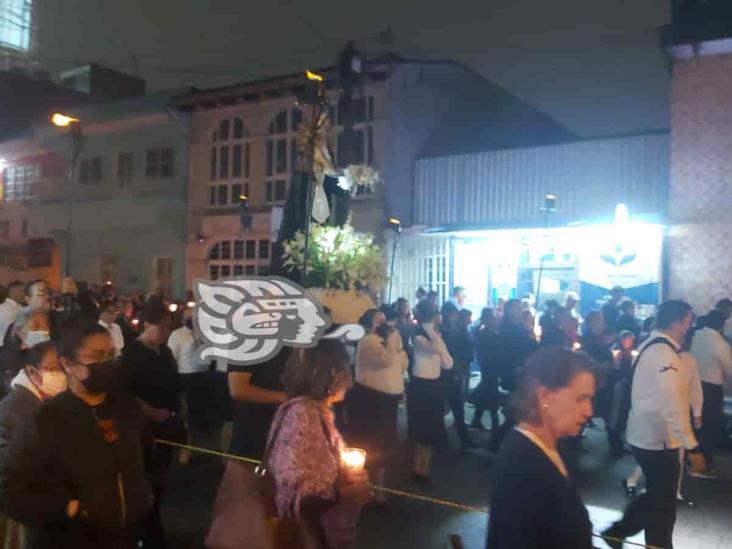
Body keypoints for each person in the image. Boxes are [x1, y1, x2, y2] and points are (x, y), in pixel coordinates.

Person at [1, 323, 153, 549]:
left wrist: (141, 498)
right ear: (68, 364)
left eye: (111, 354)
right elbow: (9, 489)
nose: (107, 363)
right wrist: (66, 508)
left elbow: (147, 458)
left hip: (126, 537)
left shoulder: (126, 407)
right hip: (68, 539)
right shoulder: (46, 419)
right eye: (97, 356)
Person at [602, 300, 703, 549]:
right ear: (677, 321)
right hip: (657, 441)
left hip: (649, 437)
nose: (689, 327)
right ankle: (642, 540)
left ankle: (618, 531)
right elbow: (673, 405)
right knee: (664, 505)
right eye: (688, 321)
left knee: (660, 496)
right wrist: (691, 446)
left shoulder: (656, 347)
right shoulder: (662, 354)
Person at [486, 347, 596, 549]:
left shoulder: (541, 448)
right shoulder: (524, 468)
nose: (589, 410)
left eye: (590, 399)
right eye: (580, 399)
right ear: (544, 396)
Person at [267, 339, 371, 548]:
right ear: (330, 374)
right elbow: (299, 496)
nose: (349, 381)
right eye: (345, 371)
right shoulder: (303, 415)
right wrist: (347, 492)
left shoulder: (316, 411)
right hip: (312, 536)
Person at [120, 297, 180, 548]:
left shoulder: (164, 352)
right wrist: (153, 412)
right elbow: (127, 393)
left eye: (168, 327)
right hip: (145, 428)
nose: (166, 332)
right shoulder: (131, 354)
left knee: (160, 482)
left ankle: (153, 529)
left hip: (167, 425)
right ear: (146, 324)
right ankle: (145, 534)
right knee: (146, 482)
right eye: (162, 327)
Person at [0, 341, 67, 547]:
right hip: (23, 510)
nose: (60, 375)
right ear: (33, 372)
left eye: (63, 368)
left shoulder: (46, 401)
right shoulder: (19, 406)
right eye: (53, 369)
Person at [349, 308, 408, 501]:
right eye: (379, 320)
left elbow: (401, 364)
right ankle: (365, 487)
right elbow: (385, 361)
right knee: (370, 445)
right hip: (371, 400)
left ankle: (379, 489)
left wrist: (397, 345)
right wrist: (392, 342)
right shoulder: (368, 342)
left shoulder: (386, 341)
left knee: (384, 447)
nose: (385, 325)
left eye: (385, 321)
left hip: (387, 402)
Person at [407, 302, 453, 483]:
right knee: (421, 430)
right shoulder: (419, 335)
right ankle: (418, 468)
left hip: (434, 386)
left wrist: (437, 338)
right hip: (421, 386)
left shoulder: (436, 335)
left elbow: (448, 363)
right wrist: (435, 336)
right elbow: (434, 349)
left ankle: (424, 469)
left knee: (432, 430)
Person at [490, 299, 538, 451]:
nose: (520, 311)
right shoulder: (509, 329)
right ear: (511, 311)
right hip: (514, 372)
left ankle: (498, 442)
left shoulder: (516, 328)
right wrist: (530, 339)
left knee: (517, 410)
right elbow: (519, 349)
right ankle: (497, 443)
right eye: (518, 308)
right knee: (517, 411)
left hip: (518, 371)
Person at [689, 309, 732, 477]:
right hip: (711, 389)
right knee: (710, 426)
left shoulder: (696, 336)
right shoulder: (720, 344)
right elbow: (729, 369)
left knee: (694, 423)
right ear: (721, 326)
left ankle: (691, 459)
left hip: (693, 384)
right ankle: (703, 465)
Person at [443, 308, 476, 449]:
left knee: (459, 402)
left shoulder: (463, 332)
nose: (470, 320)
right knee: (458, 402)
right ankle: (464, 439)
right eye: (468, 318)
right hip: (459, 369)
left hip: (463, 367)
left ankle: (462, 433)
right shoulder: (457, 334)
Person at [470, 308, 502, 433]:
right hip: (490, 366)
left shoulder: (482, 332)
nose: (495, 319)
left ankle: (477, 419)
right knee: (491, 392)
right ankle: (495, 423)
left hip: (489, 366)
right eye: (492, 317)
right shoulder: (487, 335)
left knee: (487, 391)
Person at [0, 282, 25, 347]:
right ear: (15, 291)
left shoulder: (19, 307)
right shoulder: (6, 309)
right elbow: (8, 332)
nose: (25, 294)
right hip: (6, 347)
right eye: (23, 290)